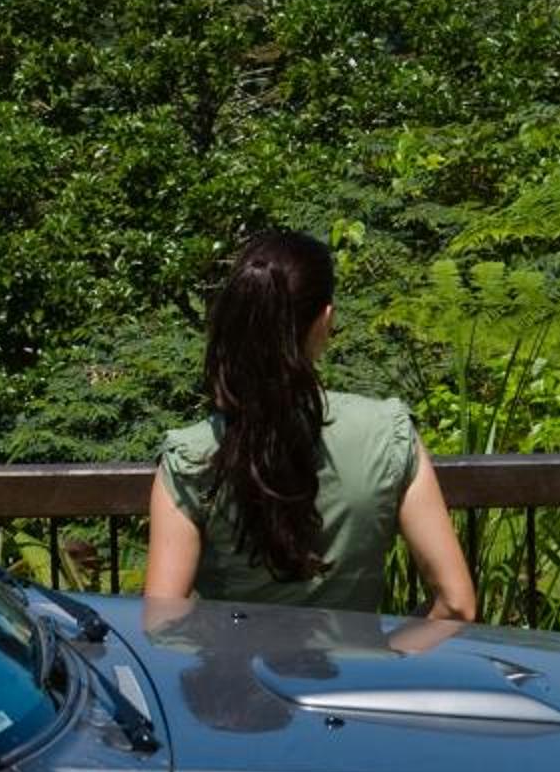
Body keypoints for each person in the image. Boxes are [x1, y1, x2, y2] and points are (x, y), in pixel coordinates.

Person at [143, 229, 477, 621]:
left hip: (233, 663)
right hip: (357, 663)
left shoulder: (190, 457)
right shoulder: (388, 433)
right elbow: (456, 604)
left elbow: (161, 625)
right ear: (326, 320)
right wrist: (387, 649)